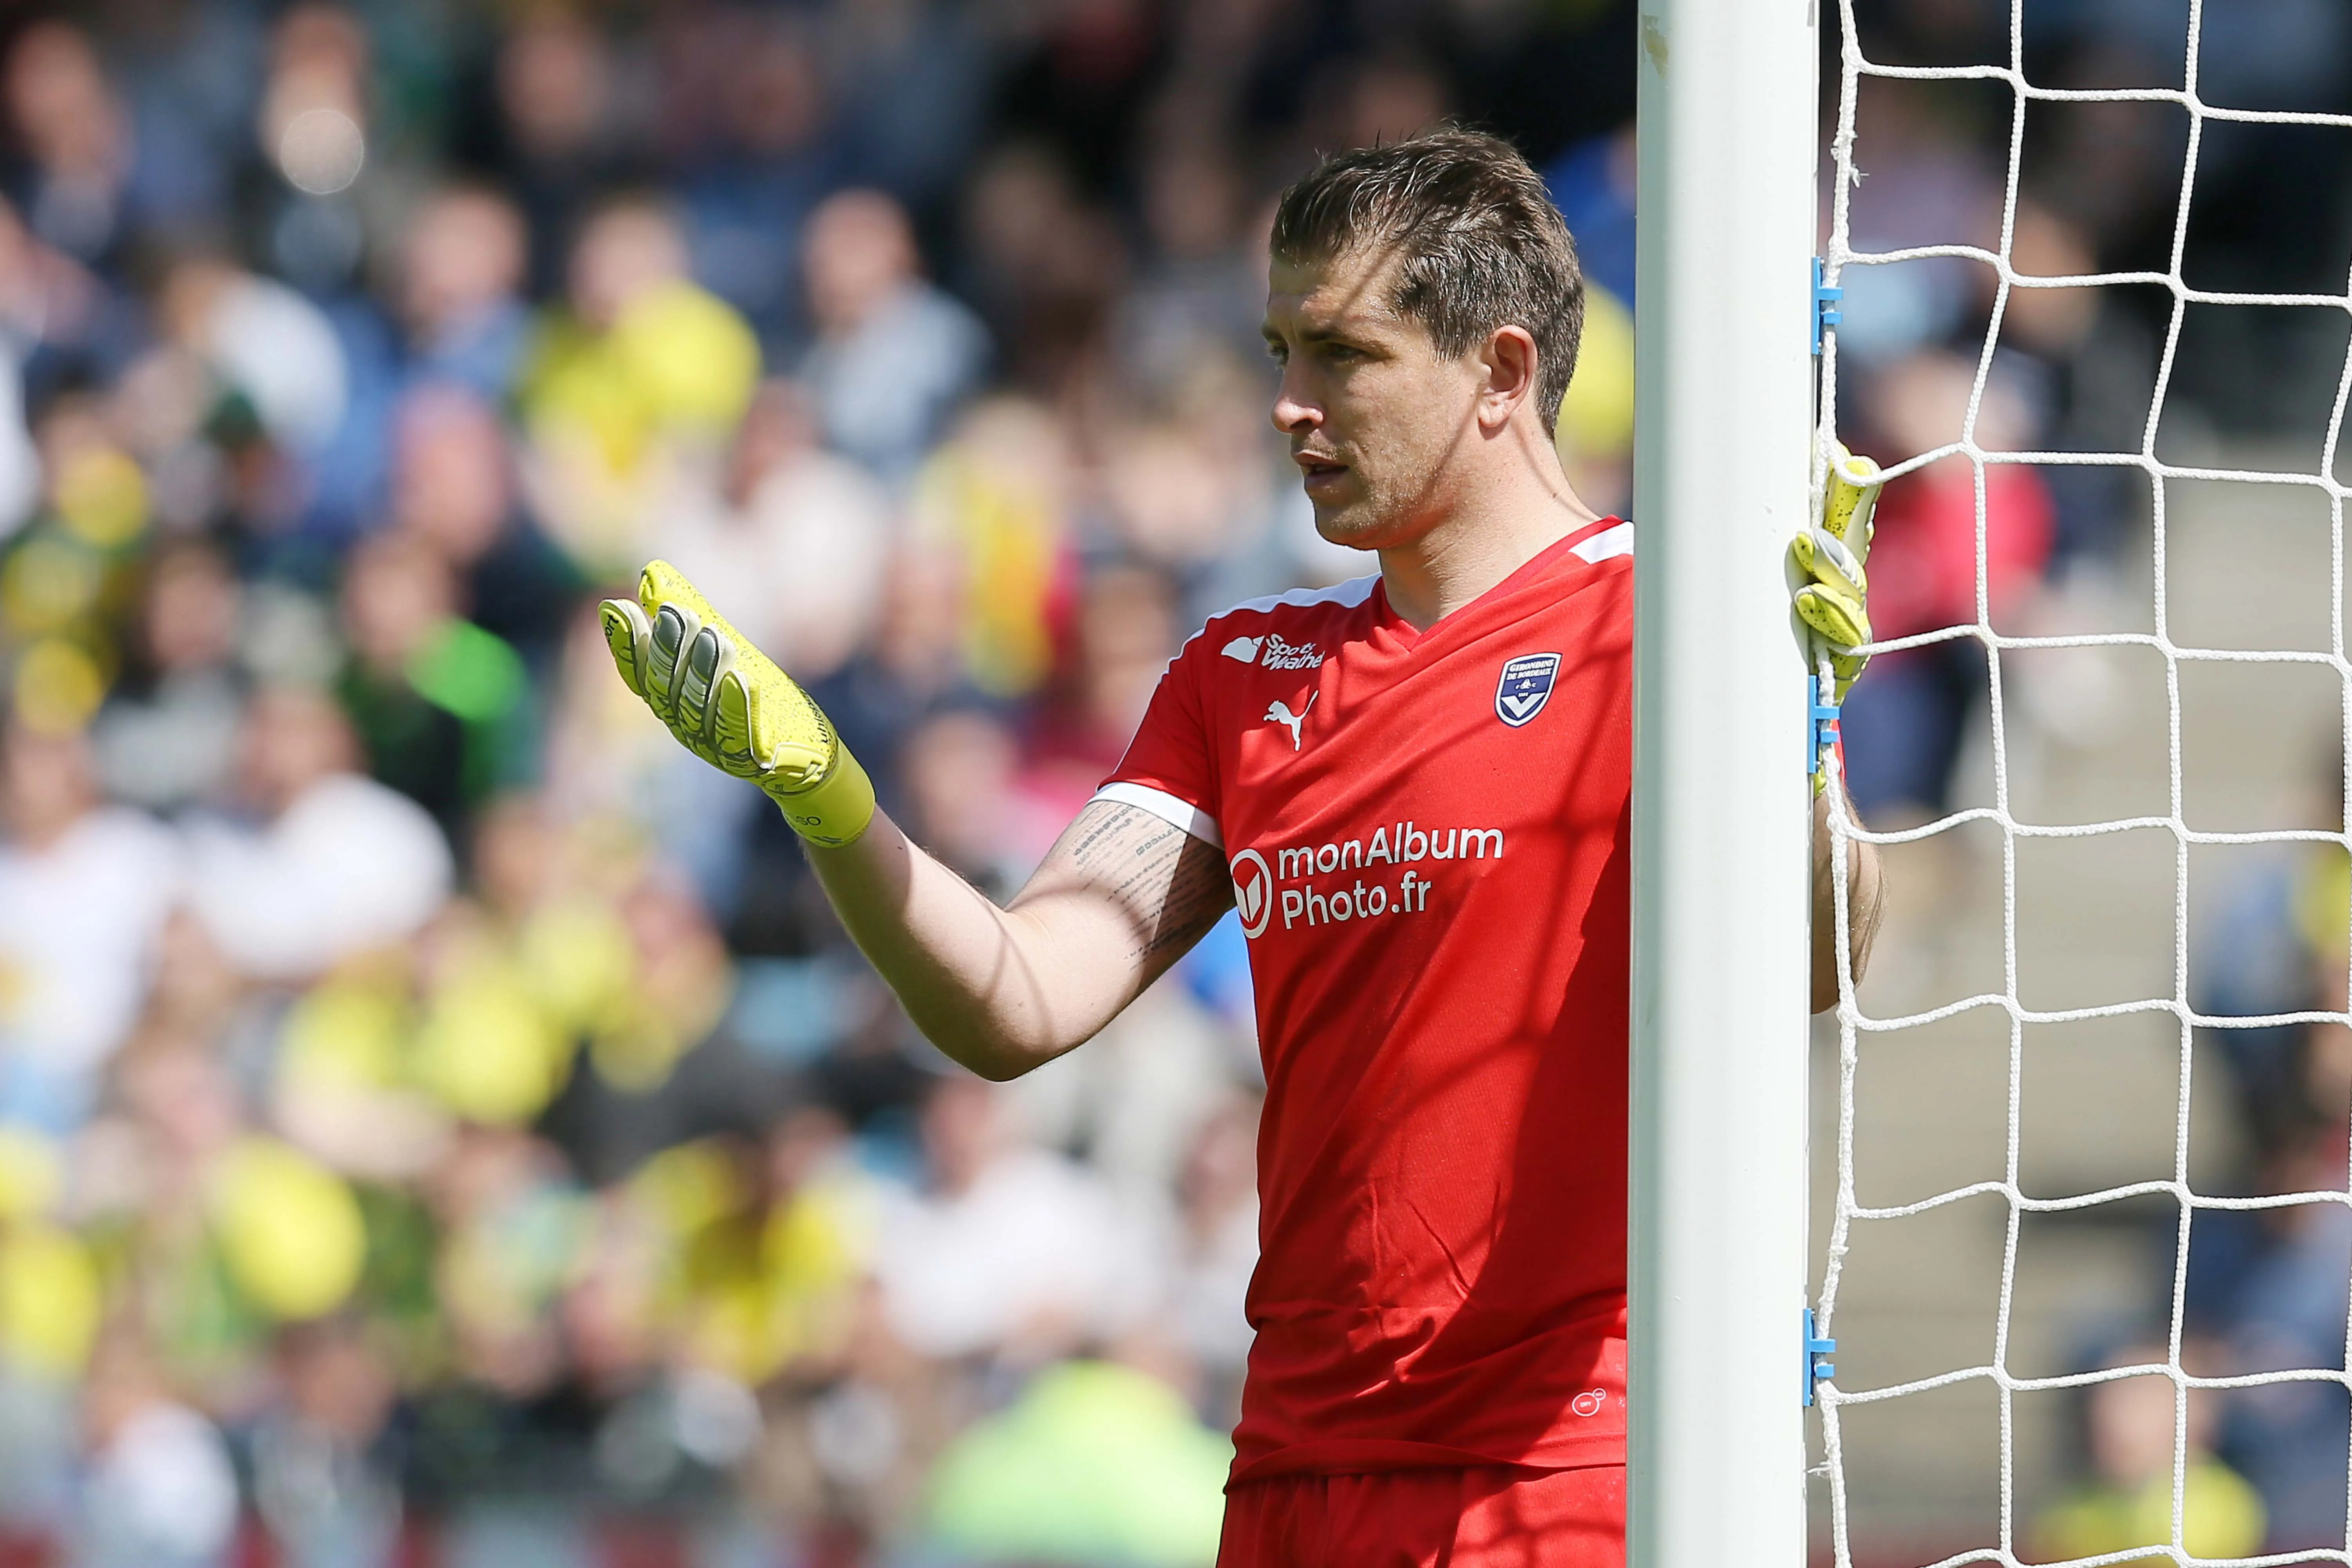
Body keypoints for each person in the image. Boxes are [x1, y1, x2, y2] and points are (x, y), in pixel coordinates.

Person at [601, 129, 1886, 1566]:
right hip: (1295, 1469)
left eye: (1342, 356)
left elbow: (1821, 958)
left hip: (1571, 1465)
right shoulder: (1244, 670)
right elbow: (1019, 1000)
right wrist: (828, 791)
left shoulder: (1663, 616)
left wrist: (1802, 732)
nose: (1286, 404)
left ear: (1502, 376)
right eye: (1279, 348)